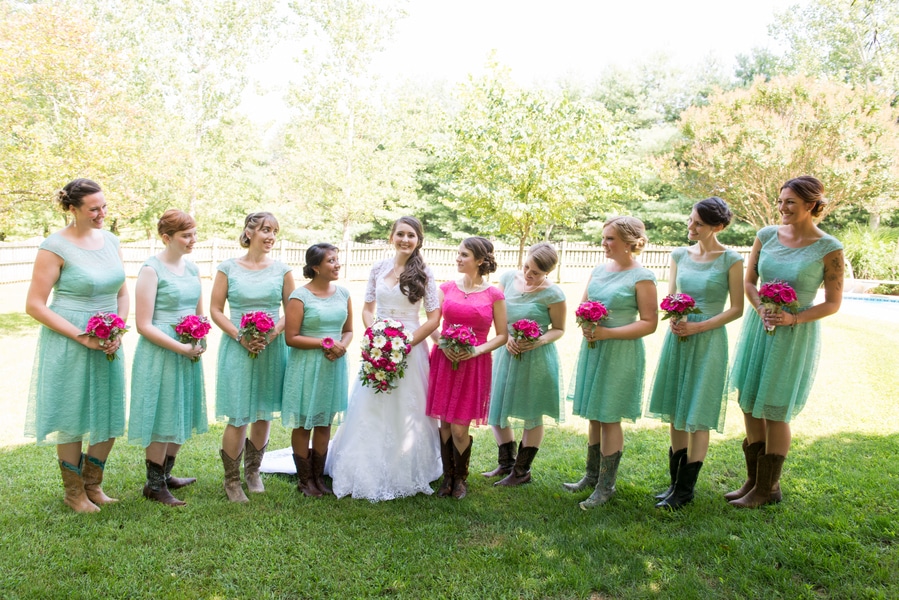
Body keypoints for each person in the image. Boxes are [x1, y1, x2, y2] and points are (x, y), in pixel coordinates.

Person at [728, 176, 843, 508]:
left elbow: (833, 303)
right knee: (749, 402)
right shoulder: (765, 236)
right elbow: (750, 282)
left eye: (790, 202)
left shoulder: (829, 248)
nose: (782, 208)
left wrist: (793, 318)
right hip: (759, 327)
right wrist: (762, 307)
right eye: (780, 201)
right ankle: (753, 481)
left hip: (794, 333)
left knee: (775, 408)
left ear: (811, 205)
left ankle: (769, 488)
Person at [25, 178, 129, 513]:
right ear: (72, 209)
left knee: (109, 411)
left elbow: (122, 292)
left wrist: (118, 329)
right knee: (72, 414)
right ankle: (73, 494)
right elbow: (35, 305)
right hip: (72, 339)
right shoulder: (54, 246)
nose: (102, 214)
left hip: (109, 340)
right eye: (93, 209)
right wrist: (82, 336)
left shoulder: (111, 241)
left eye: (104, 206)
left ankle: (92, 486)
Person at [326, 216, 442, 501]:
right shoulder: (378, 268)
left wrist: (404, 344)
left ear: (418, 240)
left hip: (411, 347)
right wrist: (377, 333)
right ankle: (364, 463)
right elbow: (367, 309)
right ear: (392, 237)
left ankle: (408, 466)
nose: (405, 240)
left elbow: (434, 318)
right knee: (372, 404)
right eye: (400, 234)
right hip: (379, 345)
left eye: (411, 236)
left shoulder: (425, 272)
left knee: (408, 406)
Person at [646, 198, 744, 509]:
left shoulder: (731, 260)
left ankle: (686, 491)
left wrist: (699, 328)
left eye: (698, 224)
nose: (691, 227)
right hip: (679, 337)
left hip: (709, 339)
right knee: (676, 409)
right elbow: (672, 294)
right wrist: (676, 315)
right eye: (690, 220)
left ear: (718, 227)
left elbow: (737, 309)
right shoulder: (679, 255)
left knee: (698, 412)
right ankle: (674, 484)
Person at [565, 216, 658, 510]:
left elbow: (650, 323)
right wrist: (586, 322)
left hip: (621, 350)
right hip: (594, 347)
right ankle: (591, 476)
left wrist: (607, 332)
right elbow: (582, 306)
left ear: (630, 242)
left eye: (610, 239)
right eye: (604, 237)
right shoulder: (598, 270)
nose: (604, 243)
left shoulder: (642, 276)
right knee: (594, 414)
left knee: (609, 415)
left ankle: (607, 486)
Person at [210, 212, 294, 503]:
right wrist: (240, 336)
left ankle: (253, 471)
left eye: (274, 231)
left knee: (262, 410)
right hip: (237, 346)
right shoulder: (228, 268)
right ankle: (231, 480)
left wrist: (272, 334)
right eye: (265, 230)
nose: (270, 236)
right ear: (249, 233)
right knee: (238, 414)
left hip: (271, 347)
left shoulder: (282, 270)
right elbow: (216, 309)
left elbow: (291, 310)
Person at [128, 209, 207, 506]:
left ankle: (165, 475)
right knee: (161, 415)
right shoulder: (151, 270)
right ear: (166, 238)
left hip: (188, 350)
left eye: (194, 234)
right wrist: (181, 347)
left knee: (180, 411)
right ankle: (153, 485)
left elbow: (200, 313)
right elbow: (143, 324)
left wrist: (200, 337)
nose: (193, 240)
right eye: (186, 236)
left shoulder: (193, 269)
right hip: (161, 352)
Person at [426, 236, 507, 500]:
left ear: (480, 260)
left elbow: (502, 335)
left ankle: (461, 478)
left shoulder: (494, 294)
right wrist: (442, 343)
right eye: (458, 253)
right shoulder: (446, 288)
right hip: (444, 359)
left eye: (464, 255)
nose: (458, 258)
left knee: (460, 426)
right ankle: (447, 476)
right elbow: (431, 324)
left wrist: (476, 350)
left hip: (474, 364)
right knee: (444, 424)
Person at [483, 242, 566, 487]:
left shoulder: (554, 294)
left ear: (547, 273)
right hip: (505, 354)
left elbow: (559, 329)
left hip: (536, 359)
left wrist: (538, 341)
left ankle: (521, 471)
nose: (529, 274)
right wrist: (506, 338)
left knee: (532, 413)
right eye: (527, 267)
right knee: (496, 409)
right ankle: (506, 462)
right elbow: (495, 316)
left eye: (536, 273)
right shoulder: (508, 278)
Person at [282, 243, 352, 497]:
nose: (337, 264)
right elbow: (291, 337)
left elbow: (348, 329)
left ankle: (318, 477)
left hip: (333, 366)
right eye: (331, 261)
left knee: (324, 422)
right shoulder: (300, 297)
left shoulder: (343, 293)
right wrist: (325, 343)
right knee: (303, 424)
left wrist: (342, 345)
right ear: (315, 267)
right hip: (306, 367)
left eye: (337, 259)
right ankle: (304, 480)